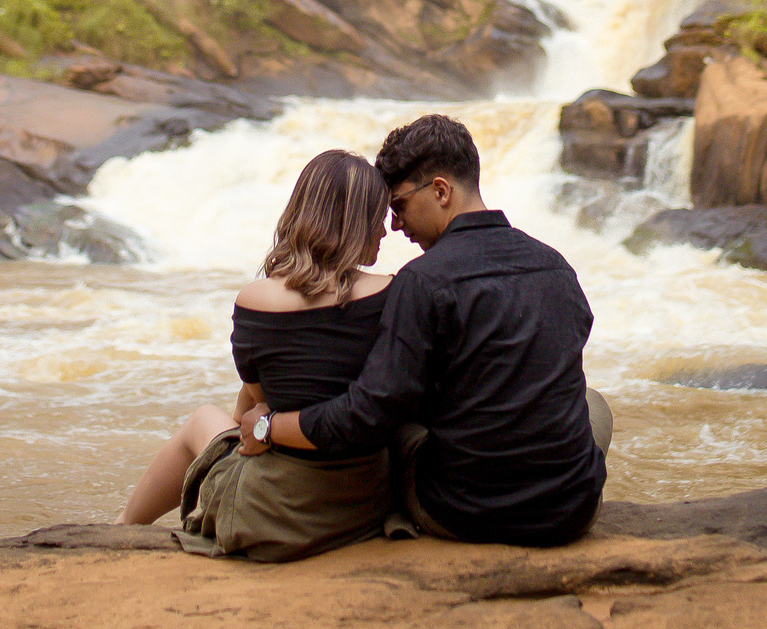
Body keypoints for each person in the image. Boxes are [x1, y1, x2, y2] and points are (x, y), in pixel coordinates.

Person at [239, 113, 612, 546]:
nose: (395, 226)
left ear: (439, 191)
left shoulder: (423, 280)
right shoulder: (555, 265)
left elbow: (367, 414)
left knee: (402, 429)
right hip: (570, 513)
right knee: (592, 403)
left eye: (398, 206)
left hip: (463, 514)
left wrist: (270, 424)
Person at [117, 148, 395, 561]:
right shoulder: (393, 292)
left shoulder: (255, 301)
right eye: (378, 219)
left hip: (277, 512)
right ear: (357, 223)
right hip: (364, 503)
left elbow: (255, 399)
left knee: (202, 421)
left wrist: (252, 432)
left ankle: (120, 531)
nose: (385, 233)